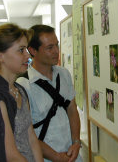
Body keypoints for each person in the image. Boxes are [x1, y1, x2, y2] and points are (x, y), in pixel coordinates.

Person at [0, 23, 44, 162]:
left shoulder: (19, 91)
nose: (27, 56)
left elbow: (32, 139)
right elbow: (9, 154)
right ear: (0, 56)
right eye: (21, 50)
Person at [17, 25, 82, 162]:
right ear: (33, 51)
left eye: (57, 45)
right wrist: (57, 157)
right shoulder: (24, 85)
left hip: (72, 155)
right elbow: (26, 134)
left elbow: (72, 109)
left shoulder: (64, 74)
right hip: (44, 158)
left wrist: (76, 142)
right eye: (49, 48)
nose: (56, 51)